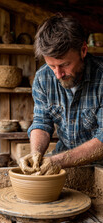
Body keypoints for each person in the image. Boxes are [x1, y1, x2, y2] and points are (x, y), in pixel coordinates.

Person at [18, 13, 103, 175]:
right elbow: (42, 122)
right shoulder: (43, 78)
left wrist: (58, 161)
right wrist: (36, 152)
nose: (58, 74)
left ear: (83, 50)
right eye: (52, 66)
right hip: (63, 158)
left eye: (64, 65)